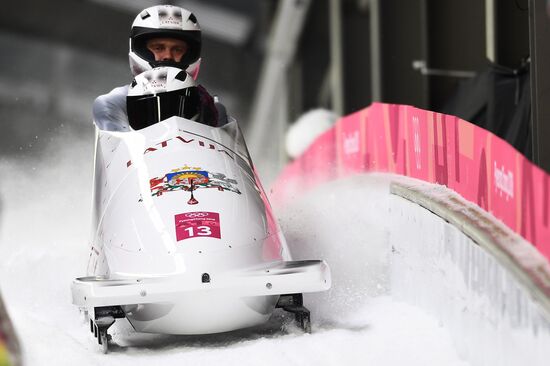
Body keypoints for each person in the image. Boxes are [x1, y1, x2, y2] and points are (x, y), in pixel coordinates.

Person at [93, 4, 218, 131]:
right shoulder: (112, 103)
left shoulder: (212, 108)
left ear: (190, 54)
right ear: (140, 49)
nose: (167, 56)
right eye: (158, 48)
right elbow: (117, 144)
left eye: (178, 49)